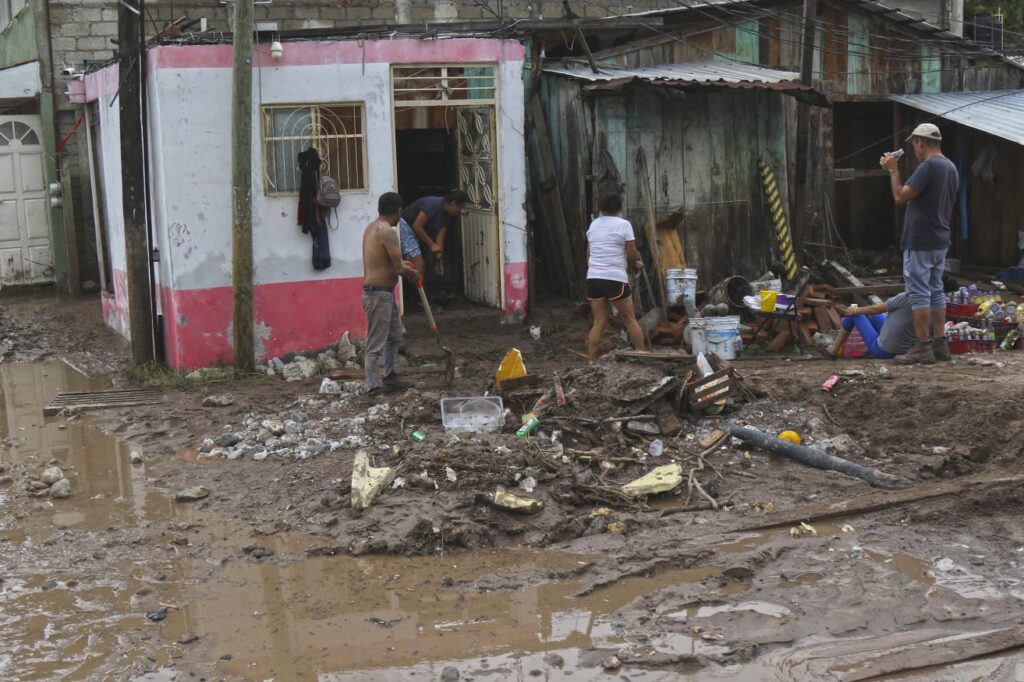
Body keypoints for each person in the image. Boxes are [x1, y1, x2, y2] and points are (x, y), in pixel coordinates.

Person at [880, 122, 959, 365]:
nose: (914, 150)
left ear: (921, 143)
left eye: (914, 145)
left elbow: (899, 197)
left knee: (919, 293)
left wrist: (893, 171)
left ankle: (922, 347)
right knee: (936, 291)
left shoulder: (929, 167)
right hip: (940, 239)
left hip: (920, 240)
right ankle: (940, 344)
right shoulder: (950, 167)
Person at [362, 192, 419, 397]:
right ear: (398, 212)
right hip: (378, 295)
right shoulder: (387, 232)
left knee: (394, 335)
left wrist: (405, 265)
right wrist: (413, 273)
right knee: (376, 342)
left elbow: (389, 263)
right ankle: (373, 387)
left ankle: (390, 376)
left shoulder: (372, 227)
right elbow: (398, 268)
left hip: (382, 293)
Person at [585, 193, 645, 360]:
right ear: (619, 208)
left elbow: (588, 253)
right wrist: (635, 264)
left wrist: (595, 269)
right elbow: (632, 252)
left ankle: (590, 361)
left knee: (598, 323)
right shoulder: (624, 224)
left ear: (601, 208)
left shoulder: (594, 225)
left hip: (594, 279)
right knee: (630, 320)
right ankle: (643, 356)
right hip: (615, 278)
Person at [398, 189, 469, 279]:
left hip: (414, 232)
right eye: (460, 207)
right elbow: (417, 226)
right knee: (419, 265)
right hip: (405, 226)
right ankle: (419, 292)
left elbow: (440, 238)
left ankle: (418, 290)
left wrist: (439, 261)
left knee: (417, 266)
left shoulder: (447, 216)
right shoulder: (433, 204)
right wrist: (431, 245)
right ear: (454, 203)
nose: (460, 211)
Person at [822, 293, 918, 360]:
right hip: (904, 350)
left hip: (883, 351)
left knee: (855, 314)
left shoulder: (905, 297)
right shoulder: (928, 300)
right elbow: (874, 311)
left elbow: (874, 309)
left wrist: (854, 310)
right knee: (872, 315)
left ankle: (833, 350)